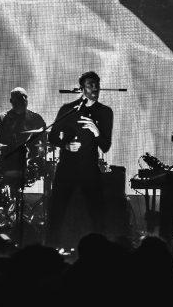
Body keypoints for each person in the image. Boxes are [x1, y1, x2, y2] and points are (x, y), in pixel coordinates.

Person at [46, 71, 113, 247]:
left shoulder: (105, 112)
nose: (95, 88)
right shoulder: (68, 110)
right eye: (91, 85)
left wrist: (96, 131)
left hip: (89, 169)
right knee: (57, 212)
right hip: (66, 169)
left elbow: (105, 146)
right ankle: (51, 249)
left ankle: (101, 250)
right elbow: (52, 137)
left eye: (97, 84)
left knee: (97, 214)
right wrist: (66, 145)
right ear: (82, 88)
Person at [0, 87, 47, 198]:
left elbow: (45, 140)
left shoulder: (36, 118)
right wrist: (3, 147)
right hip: (7, 161)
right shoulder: (1, 118)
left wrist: (41, 150)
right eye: (19, 98)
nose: (23, 101)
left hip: (29, 162)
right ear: (11, 101)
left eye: (25, 98)